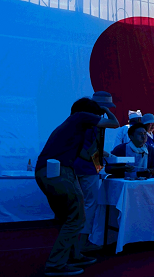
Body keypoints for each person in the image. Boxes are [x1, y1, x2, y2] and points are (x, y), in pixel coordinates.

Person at [35, 97, 119, 276]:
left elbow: (85, 154)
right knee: (77, 216)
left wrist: (100, 148)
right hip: (60, 172)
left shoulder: (72, 127)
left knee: (68, 217)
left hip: (49, 171)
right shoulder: (81, 117)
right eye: (97, 115)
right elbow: (114, 123)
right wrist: (106, 111)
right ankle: (56, 264)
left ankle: (73, 254)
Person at [73, 91, 115, 254]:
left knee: (81, 205)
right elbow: (88, 150)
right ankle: (82, 244)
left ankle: (78, 243)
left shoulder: (81, 121)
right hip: (86, 168)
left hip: (81, 167)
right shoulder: (93, 123)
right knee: (89, 205)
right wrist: (97, 162)